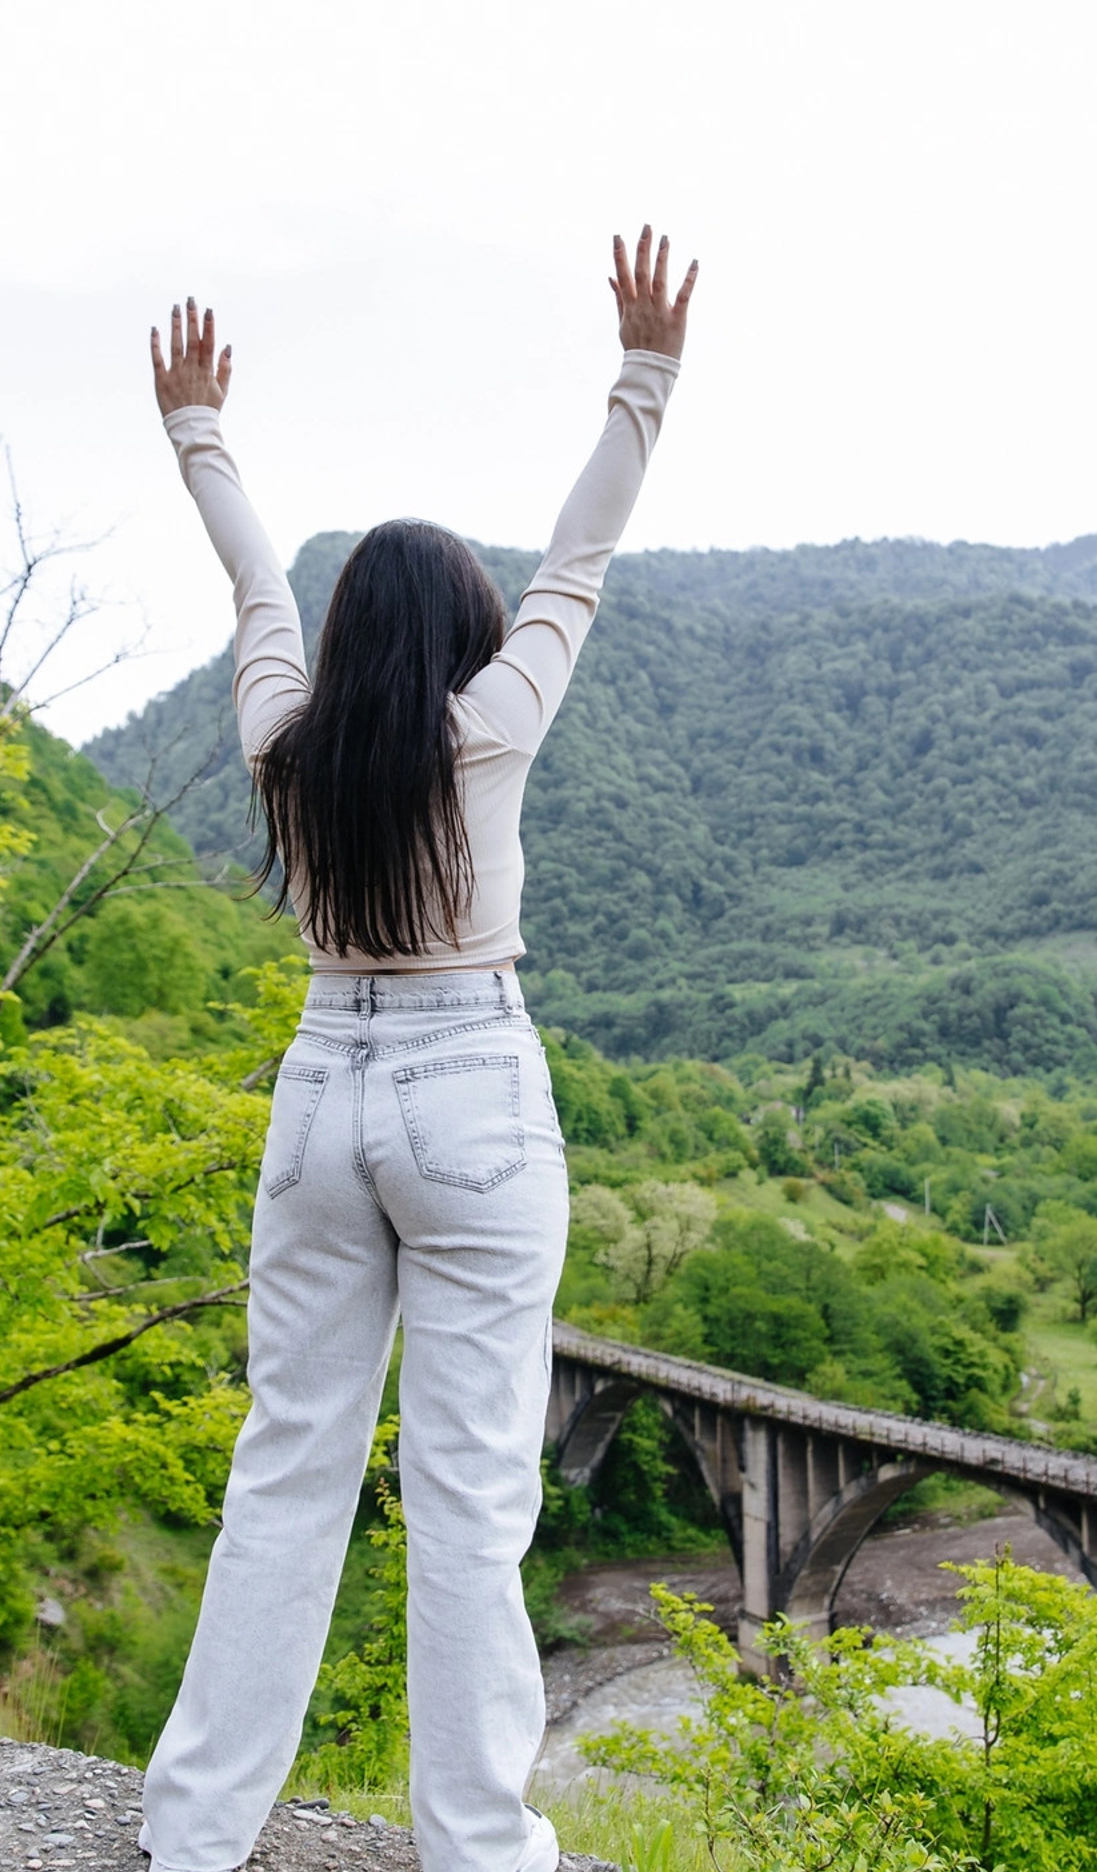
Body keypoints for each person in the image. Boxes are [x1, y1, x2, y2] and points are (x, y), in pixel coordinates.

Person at [137, 228, 695, 1872]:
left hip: (319, 1094)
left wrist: (199, 436)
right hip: (471, 1091)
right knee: (468, 1502)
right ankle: (478, 1846)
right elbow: (576, 562)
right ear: (457, 632)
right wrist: (645, 373)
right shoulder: (493, 728)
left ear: (348, 635)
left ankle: (193, 1833)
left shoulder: (282, 749)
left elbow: (254, 591)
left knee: (285, 1473)